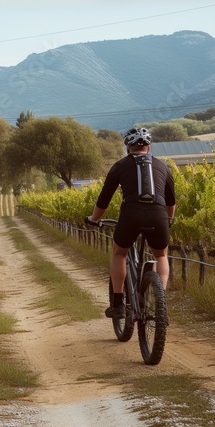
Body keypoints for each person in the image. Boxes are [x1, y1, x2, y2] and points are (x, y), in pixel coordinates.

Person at [84, 127, 176, 319]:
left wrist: (94, 219)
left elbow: (104, 199)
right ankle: (161, 304)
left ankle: (118, 304)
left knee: (119, 253)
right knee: (161, 255)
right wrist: (168, 220)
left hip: (131, 214)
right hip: (159, 215)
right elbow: (171, 202)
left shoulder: (120, 166)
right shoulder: (163, 166)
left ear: (128, 147)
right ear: (149, 147)